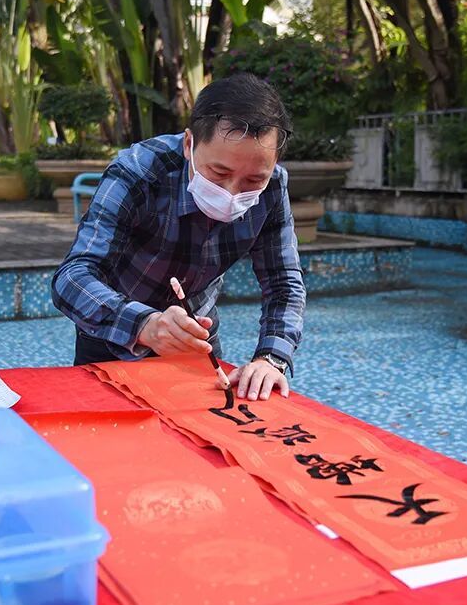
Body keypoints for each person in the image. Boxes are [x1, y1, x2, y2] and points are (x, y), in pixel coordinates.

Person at [52, 73, 306, 402]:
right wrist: (143, 324)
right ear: (189, 144)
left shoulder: (272, 188)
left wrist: (271, 358)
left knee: (206, 425)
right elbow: (72, 277)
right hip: (113, 331)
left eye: (253, 180)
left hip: (196, 337)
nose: (232, 193)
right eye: (219, 173)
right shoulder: (138, 171)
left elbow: (284, 283)